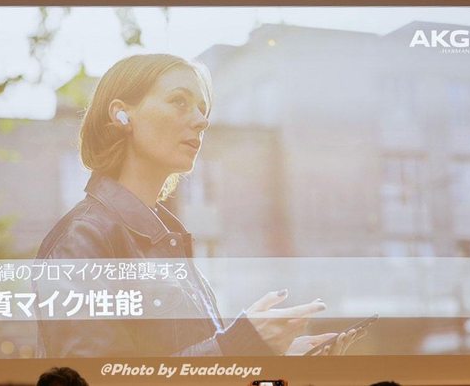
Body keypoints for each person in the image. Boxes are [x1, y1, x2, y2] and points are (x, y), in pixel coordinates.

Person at [35, 54, 357, 357]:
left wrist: (273, 361)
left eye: (203, 109)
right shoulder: (81, 239)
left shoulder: (169, 241)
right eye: (179, 102)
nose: (202, 121)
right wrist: (239, 346)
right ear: (122, 115)